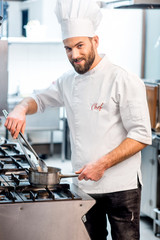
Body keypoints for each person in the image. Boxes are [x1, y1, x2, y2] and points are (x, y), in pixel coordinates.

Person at [4, 0, 152, 239]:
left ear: (95, 41)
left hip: (121, 187)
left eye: (80, 45)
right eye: (68, 48)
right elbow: (39, 99)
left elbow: (141, 135)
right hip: (84, 185)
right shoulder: (68, 81)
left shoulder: (122, 79)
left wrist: (101, 164)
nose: (75, 55)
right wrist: (21, 108)